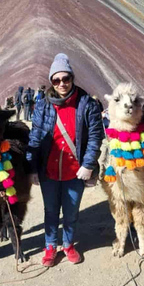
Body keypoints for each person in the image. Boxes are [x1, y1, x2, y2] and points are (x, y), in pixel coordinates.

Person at [27, 53, 104, 267]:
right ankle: (50, 246)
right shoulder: (43, 105)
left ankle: (68, 244)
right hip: (48, 169)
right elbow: (35, 136)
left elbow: (95, 137)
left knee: (71, 211)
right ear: (51, 81)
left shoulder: (86, 104)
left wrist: (88, 164)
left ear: (72, 78)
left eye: (66, 79)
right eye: (57, 80)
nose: (62, 83)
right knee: (51, 210)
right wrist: (32, 167)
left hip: (75, 170)